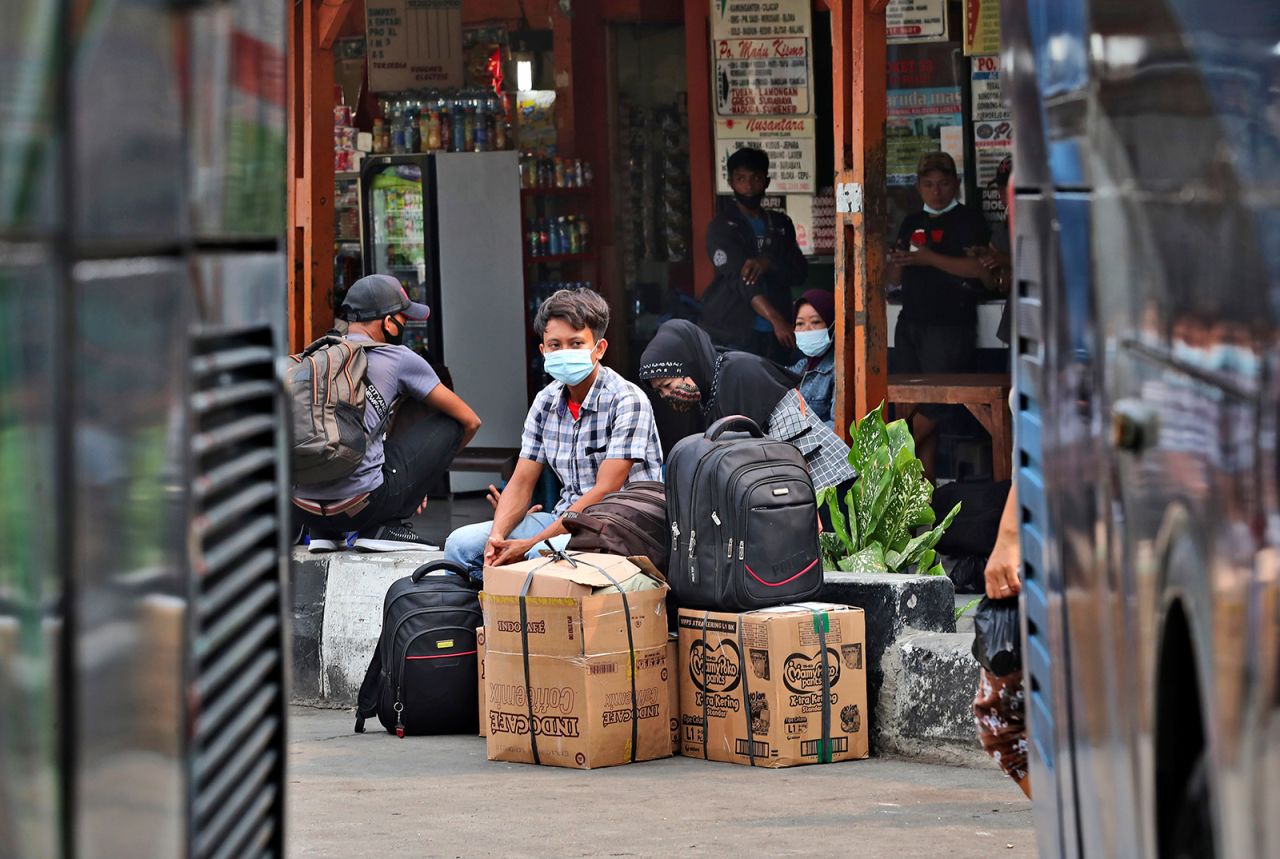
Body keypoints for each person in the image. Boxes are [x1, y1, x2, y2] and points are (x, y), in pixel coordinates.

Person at [443, 288, 663, 579]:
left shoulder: (627, 400)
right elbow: (521, 481)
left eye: (576, 343)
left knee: (539, 557)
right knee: (460, 545)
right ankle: (478, 620)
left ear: (599, 349)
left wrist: (532, 543)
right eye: (555, 345)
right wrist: (496, 538)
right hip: (563, 520)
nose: (564, 353)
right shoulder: (545, 402)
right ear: (543, 351)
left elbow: (606, 489)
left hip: (621, 526)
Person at [293, 274, 482, 552]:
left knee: (369, 441)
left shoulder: (318, 355)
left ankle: (325, 534)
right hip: (362, 508)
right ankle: (383, 528)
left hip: (303, 508)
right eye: (404, 318)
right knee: (452, 422)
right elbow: (471, 420)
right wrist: (420, 483)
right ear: (389, 322)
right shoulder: (399, 358)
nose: (406, 324)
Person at [639, 320, 854, 495]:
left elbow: (779, 450)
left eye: (668, 385)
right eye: (660, 392)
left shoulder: (738, 373)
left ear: (690, 364)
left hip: (825, 481)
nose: (667, 395)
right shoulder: (711, 390)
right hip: (797, 489)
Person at [885, 151, 992, 480]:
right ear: (918, 186)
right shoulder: (911, 221)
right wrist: (896, 261)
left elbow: (979, 270)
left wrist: (928, 258)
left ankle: (884, 464)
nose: (937, 191)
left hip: (949, 325)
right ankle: (923, 503)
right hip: (910, 322)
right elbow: (893, 279)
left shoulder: (968, 220)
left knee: (937, 406)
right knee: (911, 405)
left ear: (956, 185)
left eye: (944, 184)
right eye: (929, 184)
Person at [699, 147, 807, 361]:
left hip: (778, 335)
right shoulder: (721, 226)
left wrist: (769, 263)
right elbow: (741, 279)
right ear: (731, 182)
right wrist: (777, 321)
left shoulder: (780, 223)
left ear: (766, 181)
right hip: (733, 330)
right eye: (741, 178)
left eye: (756, 178)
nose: (748, 186)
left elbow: (799, 271)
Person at [790, 289, 837, 429]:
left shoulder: (838, 371)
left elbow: (838, 426)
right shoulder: (800, 367)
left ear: (832, 325)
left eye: (815, 322)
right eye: (800, 323)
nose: (806, 329)